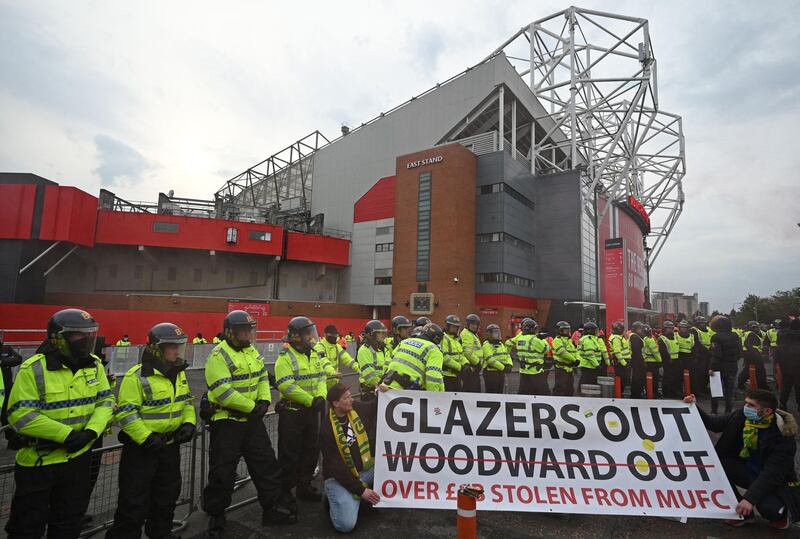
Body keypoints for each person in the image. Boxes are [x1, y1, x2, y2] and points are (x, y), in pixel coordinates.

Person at [5, 308, 115, 538]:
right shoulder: (33, 368)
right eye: (79, 335)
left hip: (78, 460)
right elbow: (20, 414)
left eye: (89, 335)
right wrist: (66, 434)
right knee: (27, 526)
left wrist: (91, 432)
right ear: (58, 338)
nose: (86, 341)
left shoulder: (94, 365)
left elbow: (106, 401)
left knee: (69, 523)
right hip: (39, 462)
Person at [203, 310, 291, 537]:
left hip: (252, 422)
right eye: (243, 331)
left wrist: (264, 400)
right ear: (230, 332)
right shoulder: (218, 356)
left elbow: (263, 377)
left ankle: (271, 509)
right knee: (222, 472)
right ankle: (216, 516)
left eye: (249, 331)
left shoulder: (251, 351)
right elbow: (223, 391)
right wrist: (253, 408)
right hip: (228, 422)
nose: (247, 335)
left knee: (266, 465)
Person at [106, 323, 196, 539]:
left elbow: (187, 402)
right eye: (172, 347)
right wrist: (146, 438)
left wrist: (189, 424)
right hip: (142, 450)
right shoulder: (136, 376)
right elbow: (126, 413)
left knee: (166, 497)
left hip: (169, 447)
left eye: (179, 347)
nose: (177, 352)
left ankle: (161, 534)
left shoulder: (178, 373)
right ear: (157, 348)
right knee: (133, 501)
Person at [685, 390, 800, 529]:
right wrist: (693, 406)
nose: (746, 407)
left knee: (770, 509)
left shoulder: (783, 436)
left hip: (773, 482)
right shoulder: (741, 416)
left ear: (767, 411)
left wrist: (750, 499)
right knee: (718, 467)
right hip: (748, 472)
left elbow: (772, 473)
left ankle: (781, 514)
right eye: (745, 403)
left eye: (751, 405)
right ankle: (745, 514)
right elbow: (714, 424)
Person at [274, 316, 327, 512]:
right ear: (296, 337)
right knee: (289, 454)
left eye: (312, 332)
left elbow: (321, 376)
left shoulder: (314, 355)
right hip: (293, 414)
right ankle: (285, 491)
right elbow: (286, 385)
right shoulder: (284, 358)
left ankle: (304, 485)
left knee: (310, 451)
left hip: (311, 412)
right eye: (308, 333)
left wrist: (321, 396)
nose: (312, 337)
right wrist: (311, 400)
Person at [320, 383, 383, 533]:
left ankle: (359, 499)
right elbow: (337, 468)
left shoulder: (355, 409)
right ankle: (332, 499)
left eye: (350, 395)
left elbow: (373, 406)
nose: (351, 399)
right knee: (345, 525)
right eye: (346, 398)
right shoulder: (326, 428)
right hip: (340, 478)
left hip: (364, 470)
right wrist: (361, 491)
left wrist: (382, 392)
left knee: (389, 464)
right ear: (336, 403)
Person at [383, 323, 445, 391]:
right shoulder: (434, 350)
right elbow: (433, 378)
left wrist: (383, 383)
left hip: (387, 387)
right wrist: (435, 397)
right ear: (436, 338)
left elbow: (387, 364)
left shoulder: (404, 342)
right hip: (409, 391)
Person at [710, 315, 743, 415]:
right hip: (732, 367)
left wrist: (711, 368)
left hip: (718, 368)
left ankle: (714, 411)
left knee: (715, 391)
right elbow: (740, 353)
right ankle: (728, 411)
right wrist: (732, 360)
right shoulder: (735, 335)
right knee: (729, 391)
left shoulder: (715, 337)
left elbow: (716, 355)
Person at [314, 325, 357, 389]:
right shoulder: (319, 347)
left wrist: (358, 368)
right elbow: (323, 362)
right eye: (332, 335)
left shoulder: (337, 346)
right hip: (322, 383)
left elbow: (347, 359)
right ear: (325, 334)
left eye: (335, 335)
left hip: (334, 382)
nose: (334, 337)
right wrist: (333, 373)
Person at [356, 321, 389, 401]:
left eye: (384, 333)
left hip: (382, 389)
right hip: (370, 393)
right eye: (380, 333)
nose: (384, 336)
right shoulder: (364, 350)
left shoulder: (383, 349)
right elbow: (370, 376)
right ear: (371, 334)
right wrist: (381, 384)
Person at [516, 318, 550, 395]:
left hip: (524, 371)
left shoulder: (520, 338)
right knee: (543, 395)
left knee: (524, 395)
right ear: (531, 329)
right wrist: (542, 339)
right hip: (535, 372)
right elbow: (546, 349)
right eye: (535, 328)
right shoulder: (534, 339)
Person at [481, 324, 512, 394]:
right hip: (490, 373)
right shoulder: (486, 345)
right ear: (489, 334)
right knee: (491, 393)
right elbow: (490, 360)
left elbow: (507, 355)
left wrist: (509, 364)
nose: (497, 335)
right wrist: (503, 368)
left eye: (498, 333)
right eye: (495, 333)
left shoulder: (501, 344)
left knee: (500, 392)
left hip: (500, 373)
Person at [552, 321, 579, 396]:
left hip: (569, 369)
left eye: (568, 329)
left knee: (570, 389)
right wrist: (574, 360)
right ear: (559, 330)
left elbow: (575, 350)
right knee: (560, 388)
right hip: (561, 368)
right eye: (565, 330)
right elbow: (563, 353)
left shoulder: (569, 340)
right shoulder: (557, 340)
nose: (568, 331)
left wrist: (577, 359)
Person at [778, 319, 800, 411]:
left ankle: (782, 404)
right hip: (798, 363)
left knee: (786, 385)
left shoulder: (783, 335)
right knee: (798, 385)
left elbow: (779, 348)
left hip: (785, 363)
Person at [739, 321, 768, 390]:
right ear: (751, 327)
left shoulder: (745, 333)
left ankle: (740, 383)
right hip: (753, 354)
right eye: (754, 327)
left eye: (757, 327)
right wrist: (756, 354)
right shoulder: (751, 334)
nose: (757, 329)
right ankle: (762, 386)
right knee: (760, 370)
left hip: (747, 353)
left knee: (747, 370)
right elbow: (748, 344)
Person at [578, 322, 607, 387]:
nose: (597, 332)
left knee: (585, 383)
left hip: (589, 365)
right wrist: (597, 365)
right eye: (595, 330)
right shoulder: (588, 339)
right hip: (589, 366)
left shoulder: (591, 338)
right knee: (588, 385)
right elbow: (590, 355)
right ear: (590, 331)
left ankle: (580, 393)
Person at [441, 315, 466, 392]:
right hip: (447, 375)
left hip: (457, 375)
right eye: (453, 326)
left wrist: (466, 364)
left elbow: (461, 355)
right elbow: (445, 358)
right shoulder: (443, 338)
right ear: (447, 326)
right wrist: (459, 367)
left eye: (457, 327)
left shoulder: (456, 339)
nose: (455, 329)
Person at [459, 314, 483, 393]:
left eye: (476, 324)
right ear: (467, 324)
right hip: (471, 368)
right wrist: (477, 362)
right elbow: (467, 352)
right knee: (472, 391)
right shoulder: (467, 334)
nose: (474, 326)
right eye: (472, 324)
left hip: (474, 368)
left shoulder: (472, 334)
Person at [691, 316, 715, 395]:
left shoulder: (708, 330)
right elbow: (697, 343)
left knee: (706, 373)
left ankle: (703, 388)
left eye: (704, 323)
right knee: (699, 374)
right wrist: (708, 351)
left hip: (708, 355)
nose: (703, 324)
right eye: (701, 323)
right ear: (697, 323)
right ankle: (698, 390)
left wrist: (712, 348)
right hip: (699, 355)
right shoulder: (694, 330)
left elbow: (711, 340)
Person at [658, 321, 682, 398]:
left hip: (676, 360)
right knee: (668, 378)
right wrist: (668, 359)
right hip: (668, 361)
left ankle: (676, 391)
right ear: (664, 329)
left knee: (677, 377)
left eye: (671, 328)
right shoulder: (662, 338)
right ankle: (667, 393)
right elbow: (662, 351)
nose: (670, 330)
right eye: (668, 328)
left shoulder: (675, 337)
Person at [608, 321, 631, 394]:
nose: (623, 331)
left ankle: (620, 394)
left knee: (624, 380)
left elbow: (625, 347)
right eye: (622, 329)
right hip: (621, 363)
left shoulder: (619, 337)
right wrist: (624, 363)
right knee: (621, 380)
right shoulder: (616, 338)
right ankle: (618, 395)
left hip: (623, 362)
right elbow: (617, 353)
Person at [674, 320, 696, 395]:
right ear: (679, 328)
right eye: (682, 327)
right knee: (678, 375)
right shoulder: (675, 335)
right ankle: (679, 391)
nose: (683, 329)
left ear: (687, 328)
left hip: (689, 357)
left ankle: (691, 391)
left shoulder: (692, 336)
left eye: (685, 327)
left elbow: (694, 347)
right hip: (679, 357)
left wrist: (694, 357)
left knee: (692, 375)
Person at [642, 325, 662, 398]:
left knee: (647, 379)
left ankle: (648, 392)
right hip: (653, 362)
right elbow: (655, 352)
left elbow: (643, 351)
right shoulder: (650, 340)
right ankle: (654, 393)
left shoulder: (645, 338)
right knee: (655, 379)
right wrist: (660, 361)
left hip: (647, 361)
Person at [628, 322, 646, 398]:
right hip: (637, 361)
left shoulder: (635, 336)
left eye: (641, 328)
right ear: (635, 328)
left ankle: (637, 393)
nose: (641, 330)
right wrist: (642, 361)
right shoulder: (634, 337)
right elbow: (636, 351)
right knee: (637, 379)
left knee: (637, 378)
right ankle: (636, 394)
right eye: (639, 328)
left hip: (636, 360)